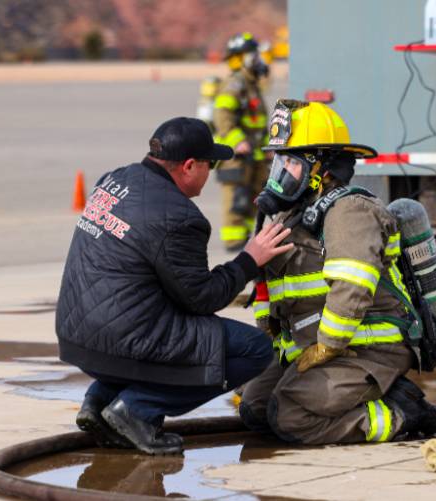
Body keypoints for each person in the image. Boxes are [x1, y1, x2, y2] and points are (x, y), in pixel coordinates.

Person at [55, 117, 294, 455]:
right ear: (188, 166)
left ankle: (98, 401)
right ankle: (136, 410)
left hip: (77, 336)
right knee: (254, 349)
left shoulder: (114, 181)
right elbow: (203, 298)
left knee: (143, 320)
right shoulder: (181, 217)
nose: (210, 173)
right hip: (119, 341)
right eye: (209, 164)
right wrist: (249, 260)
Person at [239, 99, 436, 445]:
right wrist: (270, 338)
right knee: (256, 408)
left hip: (367, 347)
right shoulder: (292, 216)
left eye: (292, 163)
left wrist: (327, 347)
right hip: (315, 346)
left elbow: (352, 287)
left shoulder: (350, 211)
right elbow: (268, 289)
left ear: (325, 169)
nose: (280, 173)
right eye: (280, 161)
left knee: (290, 415)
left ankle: (401, 412)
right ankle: (352, 393)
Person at [213, 32, 270, 252]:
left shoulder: (251, 84)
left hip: (254, 157)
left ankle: (248, 239)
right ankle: (234, 242)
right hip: (237, 157)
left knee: (253, 201)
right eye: (252, 55)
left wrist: (267, 149)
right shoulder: (234, 85)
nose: (258, 59)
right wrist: (238, 142)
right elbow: (223, 117)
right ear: (241, 58)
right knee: (236, 201)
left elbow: (258, 123)